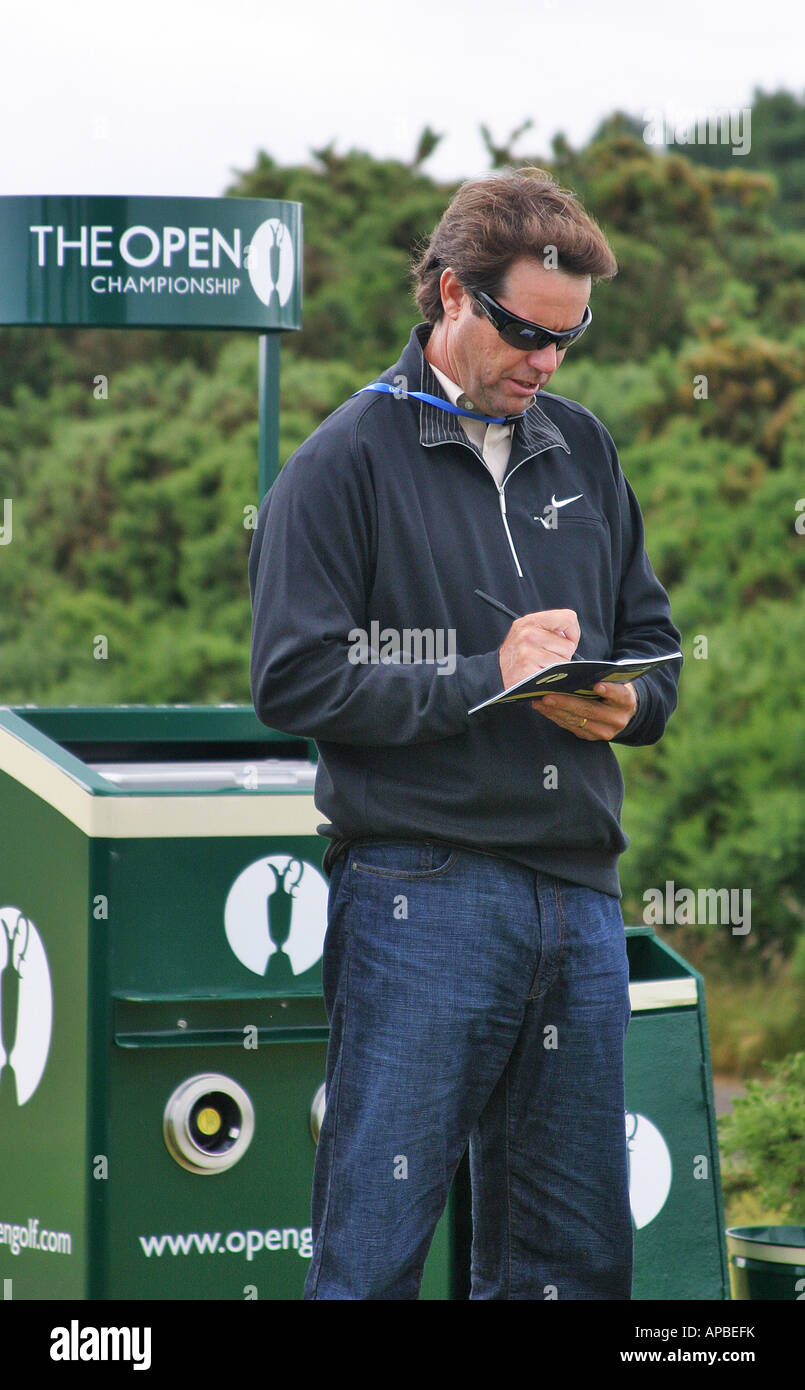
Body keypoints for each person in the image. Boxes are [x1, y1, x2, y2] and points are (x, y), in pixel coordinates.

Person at [248, 168, 682, 1300]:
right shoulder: (342, 460)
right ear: (452, 295)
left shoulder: (584, 451)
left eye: (569, 340)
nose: (546, 362)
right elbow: (292, 677)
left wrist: (626, 704)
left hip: (579, 898)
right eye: (527, 334)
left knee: (574, 1266)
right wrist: (480, 679)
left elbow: (656, 646)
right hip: (417, 892)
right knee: (374, 1256)